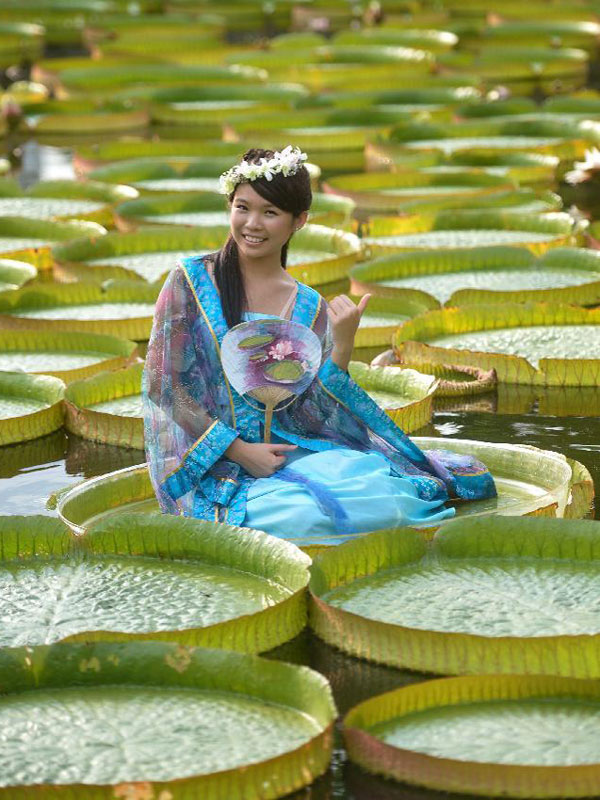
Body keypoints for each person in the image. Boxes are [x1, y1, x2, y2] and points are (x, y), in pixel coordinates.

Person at [143, 146, 496, 547]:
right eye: (243, 208)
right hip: (216, 462)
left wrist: (342, 346)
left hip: (291, 452)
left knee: (386, 496)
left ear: (299, 221)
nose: (252, 224)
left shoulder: (308, 305)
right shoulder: (189, 282)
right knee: (297, 518)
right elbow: (164, 387)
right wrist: (240, 451)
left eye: (270, 213)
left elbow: (311, 413)